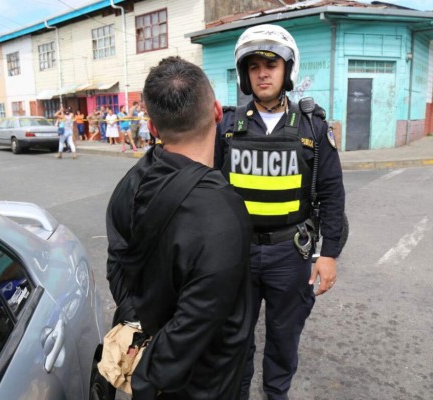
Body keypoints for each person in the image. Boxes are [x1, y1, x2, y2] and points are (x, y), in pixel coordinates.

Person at [106, 56, 253, 399]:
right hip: (202, 383)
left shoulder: (128, 186)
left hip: (155, 359)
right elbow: (196, 322)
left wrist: (137, 329)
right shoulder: (224, 212)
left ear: (153, 128)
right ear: (217, 111)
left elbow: (118, 265)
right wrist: (146, 380)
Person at [215, 24, 345, 399]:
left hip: (291, 253)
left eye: (271, 64)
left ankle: (276, 394)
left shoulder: (312, 127)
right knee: (235, 338)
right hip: (236, 254)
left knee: (284, 339)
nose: (263, 73)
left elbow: (332, 195)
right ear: (245, 74)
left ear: (287, 70)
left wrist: (329, 254)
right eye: (254, 65)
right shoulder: (227, 125)